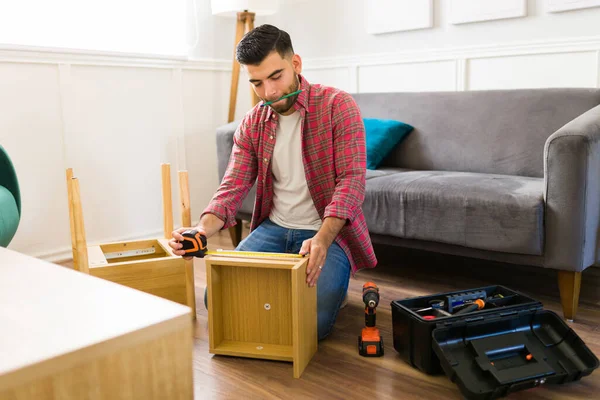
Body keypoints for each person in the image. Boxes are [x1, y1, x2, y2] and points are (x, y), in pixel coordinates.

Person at [168, 24, 377, 340]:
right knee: (218, 301)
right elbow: (233, 185)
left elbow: (351, 182)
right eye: (257, 83)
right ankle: (292, 294)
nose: (269, 92)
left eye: (276, 77)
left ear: (295, 64)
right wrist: (201, 230)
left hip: (325, 233)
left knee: (310, 324)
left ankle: (331, 284)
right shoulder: (253, 122)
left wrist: (322, 239)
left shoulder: (338, 106)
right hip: (274, 228)